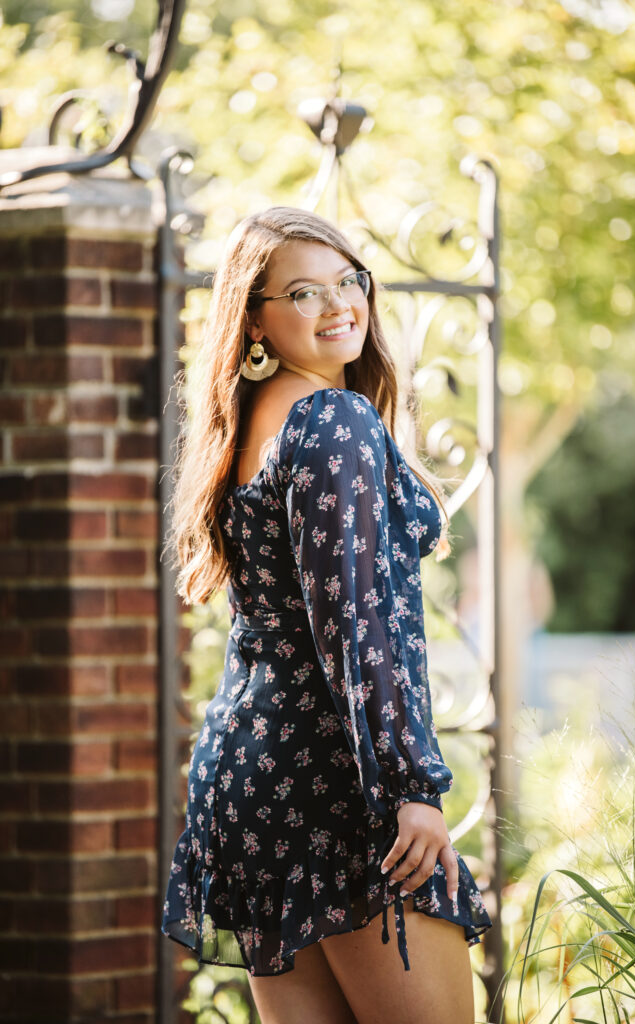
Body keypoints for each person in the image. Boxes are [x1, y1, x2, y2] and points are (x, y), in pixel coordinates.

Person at [161, 207, 492, 1024]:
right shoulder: (331, 421)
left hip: (250, 773)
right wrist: (411, 785)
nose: (340, 304)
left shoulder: (257, 420)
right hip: (335, 782)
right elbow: (358, 626)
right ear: (255, 320)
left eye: (349, 280)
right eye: (304, 292)